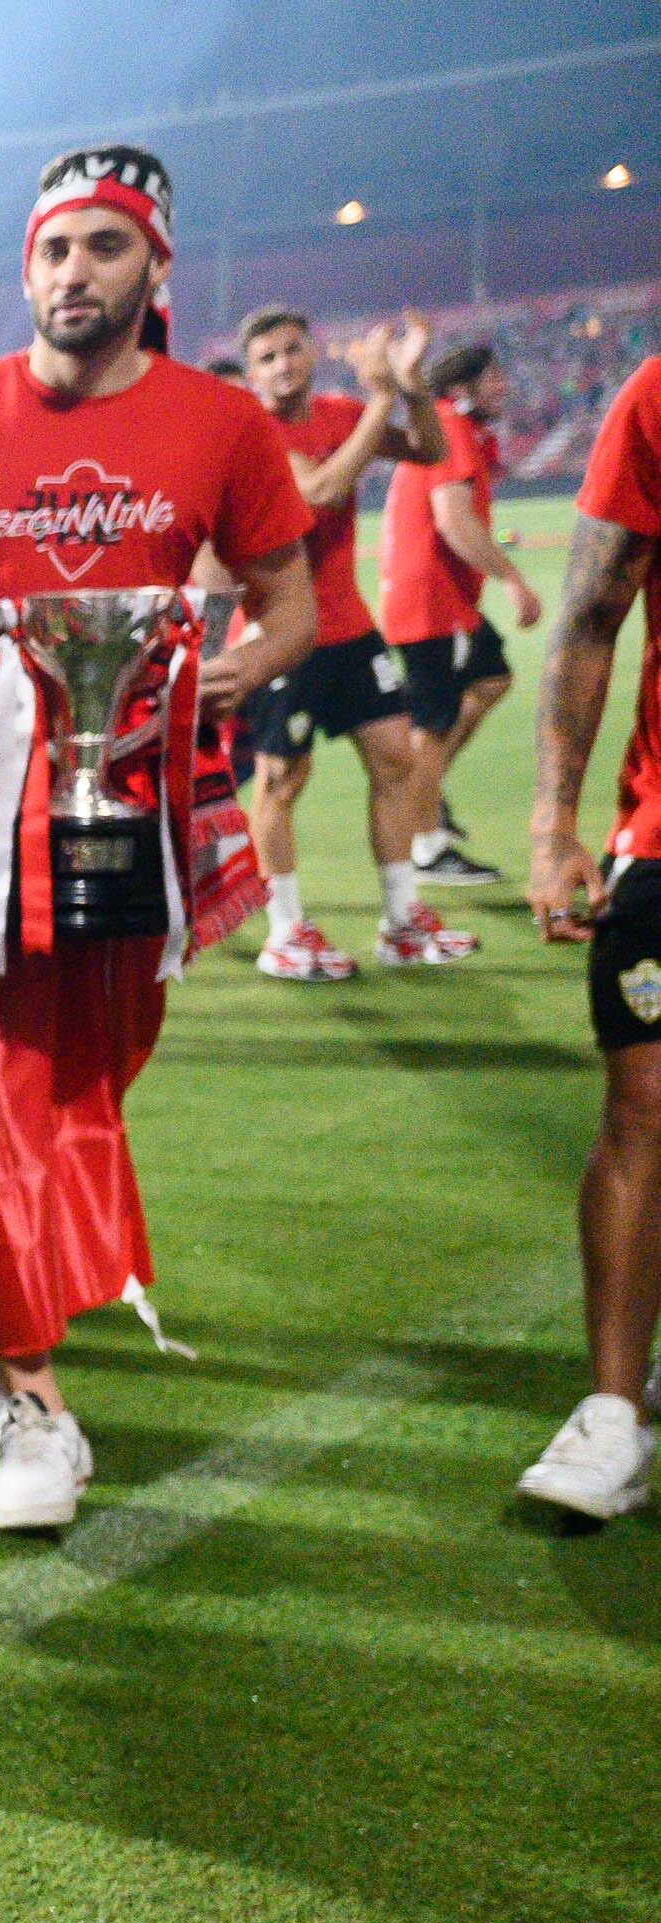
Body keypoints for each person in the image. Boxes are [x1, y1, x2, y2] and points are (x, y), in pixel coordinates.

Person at [0, 144, 317, 1531]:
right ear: (24, 267)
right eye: (51, 249)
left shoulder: (218, 426)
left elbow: (289, 608)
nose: (69, 274)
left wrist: (235, 670)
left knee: (69, 1092)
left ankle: (1, 1334)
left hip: (123, 827)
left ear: (154, 265)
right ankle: (36, 1397)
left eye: (102, 248)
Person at [515, 350, 661, 1522]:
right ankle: (613, 1411)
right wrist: (553, 821)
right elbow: (591, 610)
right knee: (643, 1107)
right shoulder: (656, 393)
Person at [233, 303, 463, 979]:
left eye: (290, 350)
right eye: (267, 357)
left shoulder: (338, 412)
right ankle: (284, 932)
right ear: (250, 375)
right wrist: (382, 398)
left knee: (396, 761)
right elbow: (324, 490)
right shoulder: (254, 433)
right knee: (280, 779)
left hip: (350, 629)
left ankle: (399, 921)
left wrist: (412, 387)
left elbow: (428, 449)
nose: (282, 364)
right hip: (282, 633)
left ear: (311, 353)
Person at [386, 341, 540, 880]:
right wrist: (513, 580)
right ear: (461, 387)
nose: (502, 385)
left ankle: (427, 795)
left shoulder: (456, 426)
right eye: (492, 377)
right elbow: (452, 519)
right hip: (432, 602)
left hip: (446, 602)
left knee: (492, 678)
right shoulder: (450, 426)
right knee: (432, 725)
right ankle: (425, 846)